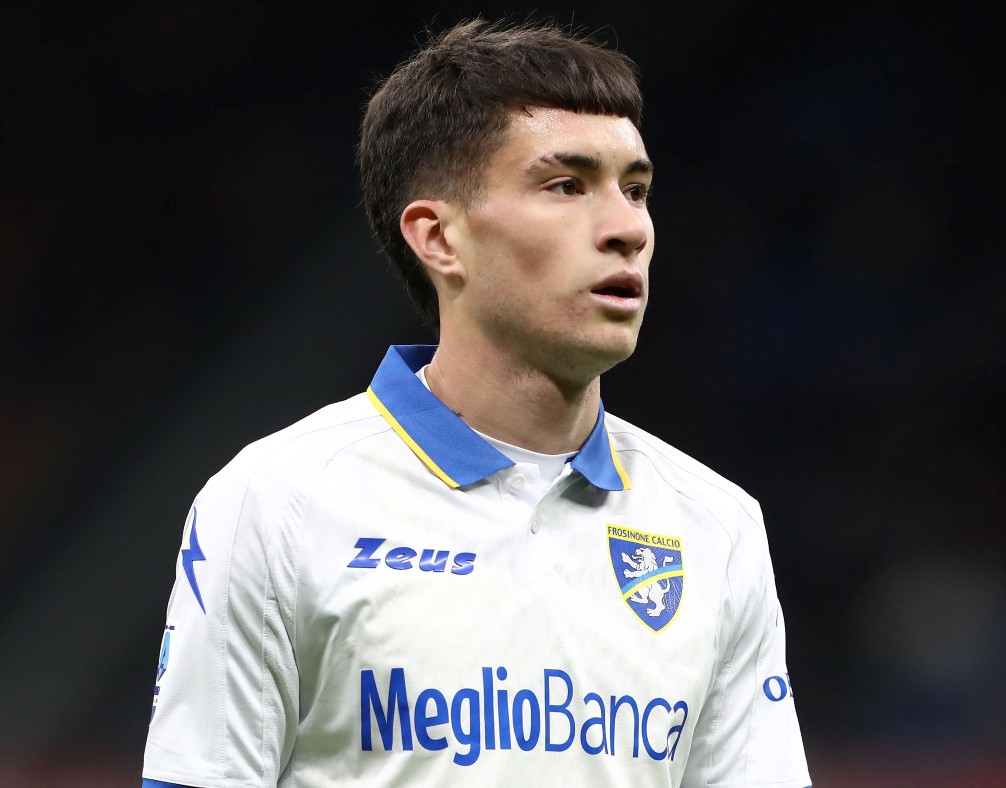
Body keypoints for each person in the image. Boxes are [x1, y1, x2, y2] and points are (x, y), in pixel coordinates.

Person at [142, 18, 812, 788]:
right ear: (439, 238)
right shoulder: (278, 501)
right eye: (566, 185)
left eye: (635, 190)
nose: (628, 228)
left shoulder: (717, 526)